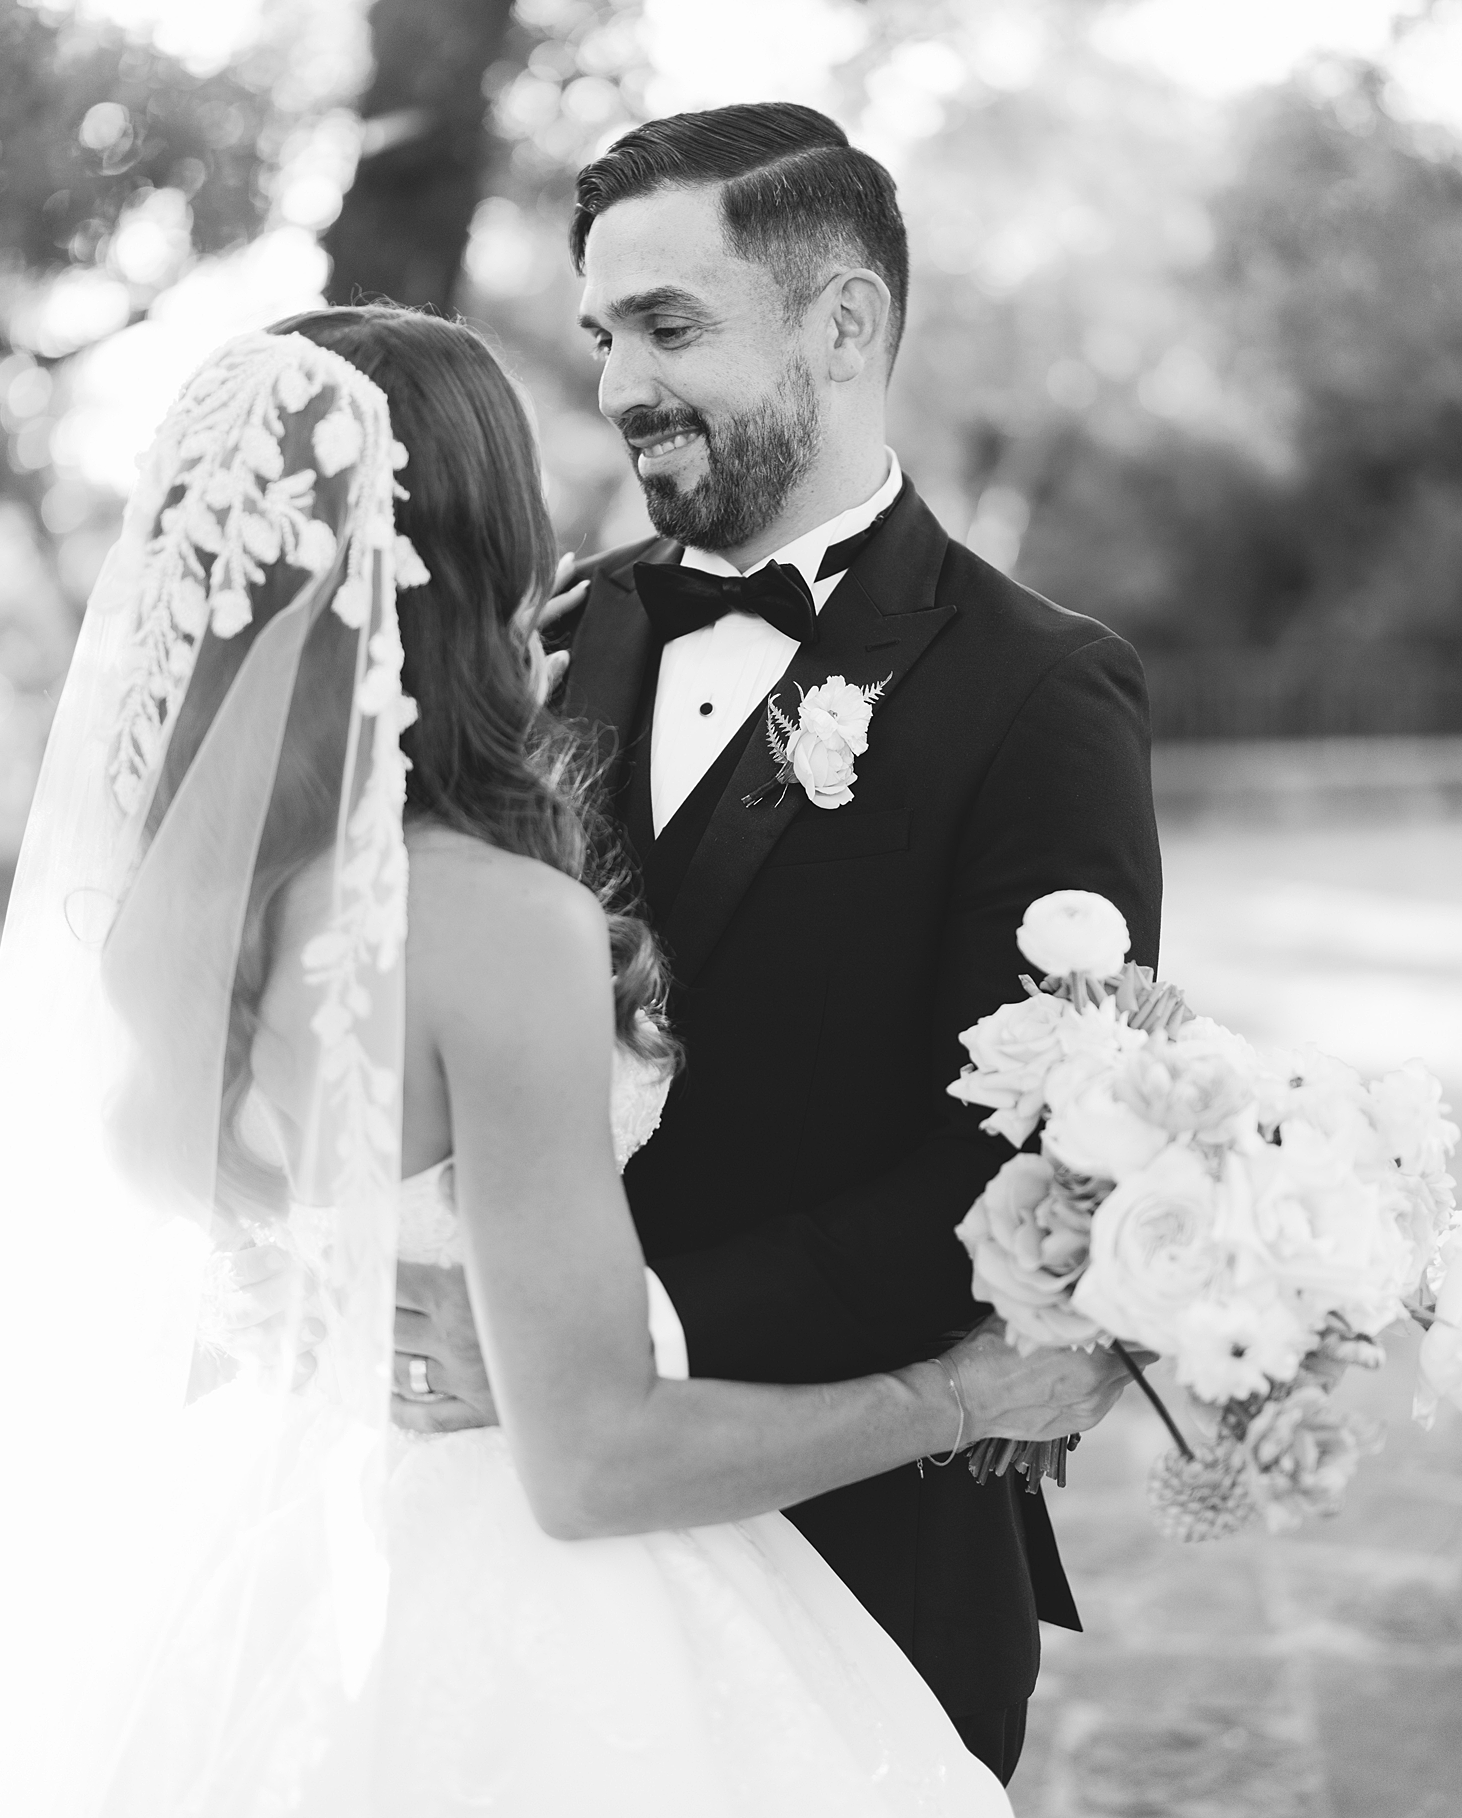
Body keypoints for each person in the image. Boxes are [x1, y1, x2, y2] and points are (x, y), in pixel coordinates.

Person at [0, 309, 1140, 1817]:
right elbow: (591, 1465)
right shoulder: (493, 924)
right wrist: (964, 1394)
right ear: (477, 545)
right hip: (516, 1609)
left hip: (261, 1547)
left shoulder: (161, 906)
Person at [393, 103, 1164, 1785]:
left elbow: (1018, 1168)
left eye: (669, 327)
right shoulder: (546, 635)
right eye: (604, 335)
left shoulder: (1040, 692)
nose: (618, 384)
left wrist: (618, 1341)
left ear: (845, 326)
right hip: (501, 1553)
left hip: (864, 1550)